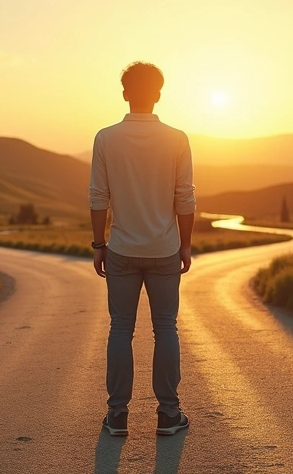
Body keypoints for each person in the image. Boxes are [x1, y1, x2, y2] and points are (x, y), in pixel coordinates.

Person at [89, 62, 195, 438]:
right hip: (165, 248)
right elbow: (185, 198)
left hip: (121, 248)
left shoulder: (106, 138)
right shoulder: (177, 138)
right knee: (166, 327)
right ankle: (168, 414)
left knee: (121, 329)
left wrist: (99, 244)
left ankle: (117, 415)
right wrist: (184, 245)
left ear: (125, 93)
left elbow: (98, 197)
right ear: (159, 93)